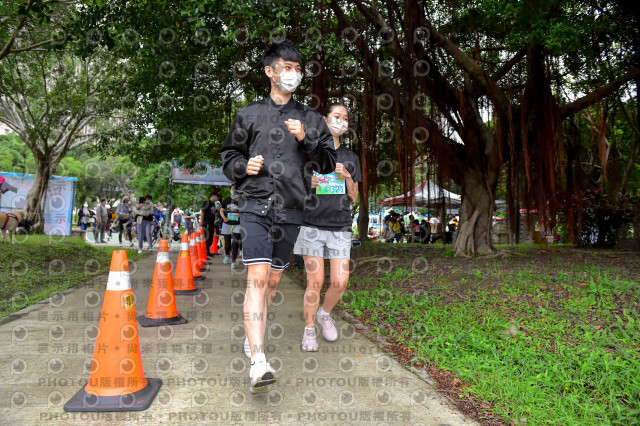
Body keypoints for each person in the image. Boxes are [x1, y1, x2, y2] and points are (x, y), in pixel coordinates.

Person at [220, 39, 336, 394]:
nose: (294, 73)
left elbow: (328, 164)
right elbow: (228, 157)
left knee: (272, 283)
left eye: (298, 68)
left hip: (292, 209)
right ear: (270, 72)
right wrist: (243, 165)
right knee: (257, 277)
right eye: (287, 67)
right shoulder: (248, 114)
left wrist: (308, 141)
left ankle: (252, 334)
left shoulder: (311, 119)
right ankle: (258, 362)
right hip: (254, 205)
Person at [293, 102, 361, 352]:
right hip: (311, 225)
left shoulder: (351, 157)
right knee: (316, 280)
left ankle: (324, 313)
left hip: (341, 227)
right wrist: (308, 184)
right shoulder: (309, 152)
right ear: (324, 119)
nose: (341, 121)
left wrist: (348, 178)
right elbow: (293, 188)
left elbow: (354, 196)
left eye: (345, 118)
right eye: (336, 116)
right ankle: (309, 330)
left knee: (340, 282)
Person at [219, 185, 243, 268]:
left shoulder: (240, 200)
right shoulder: (226, 200)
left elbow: (244, 211)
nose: (234, 190)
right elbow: (221, 211)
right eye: (232, 189)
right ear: (230, 190)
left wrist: (240, 214)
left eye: (235, 189)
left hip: (237, 224)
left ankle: (234, 261)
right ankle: (227, 255)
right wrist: (224, 217)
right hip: (227, 223)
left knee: (235, 243)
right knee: (227, 244)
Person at [201, 190, 220, 257]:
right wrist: (201, 221)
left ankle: (208, 251)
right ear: (213, 196)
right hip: (206, 222)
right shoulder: (206, 203)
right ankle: (205, 252)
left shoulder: (214, 204)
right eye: (216, 197)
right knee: (207, 237)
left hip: (212, 223)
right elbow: (202, 212)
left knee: (211, 238)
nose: (217, 198)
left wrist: (218, 207)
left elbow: (217, 212)